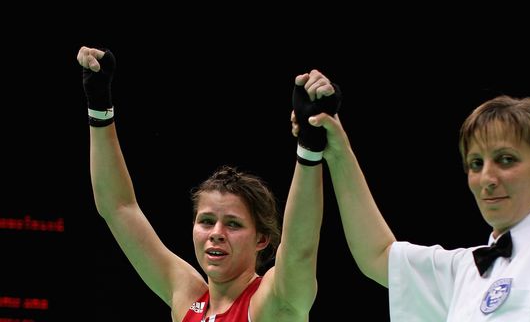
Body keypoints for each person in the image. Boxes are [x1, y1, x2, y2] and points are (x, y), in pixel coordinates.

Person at [294, 89, 530, 320]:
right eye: (476, 164)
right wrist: (335, 147)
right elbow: (377, 254)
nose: (487, 178)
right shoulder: (467, 270)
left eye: (506, 159)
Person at [77, 46, 339, 321]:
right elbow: (119, 208)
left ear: (261, 239)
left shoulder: (274, 303)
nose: (216, 232)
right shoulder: (188, 298)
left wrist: (309, 149)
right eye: (206, 221)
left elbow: (299, 249)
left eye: (233, 224)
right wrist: (99, 106)